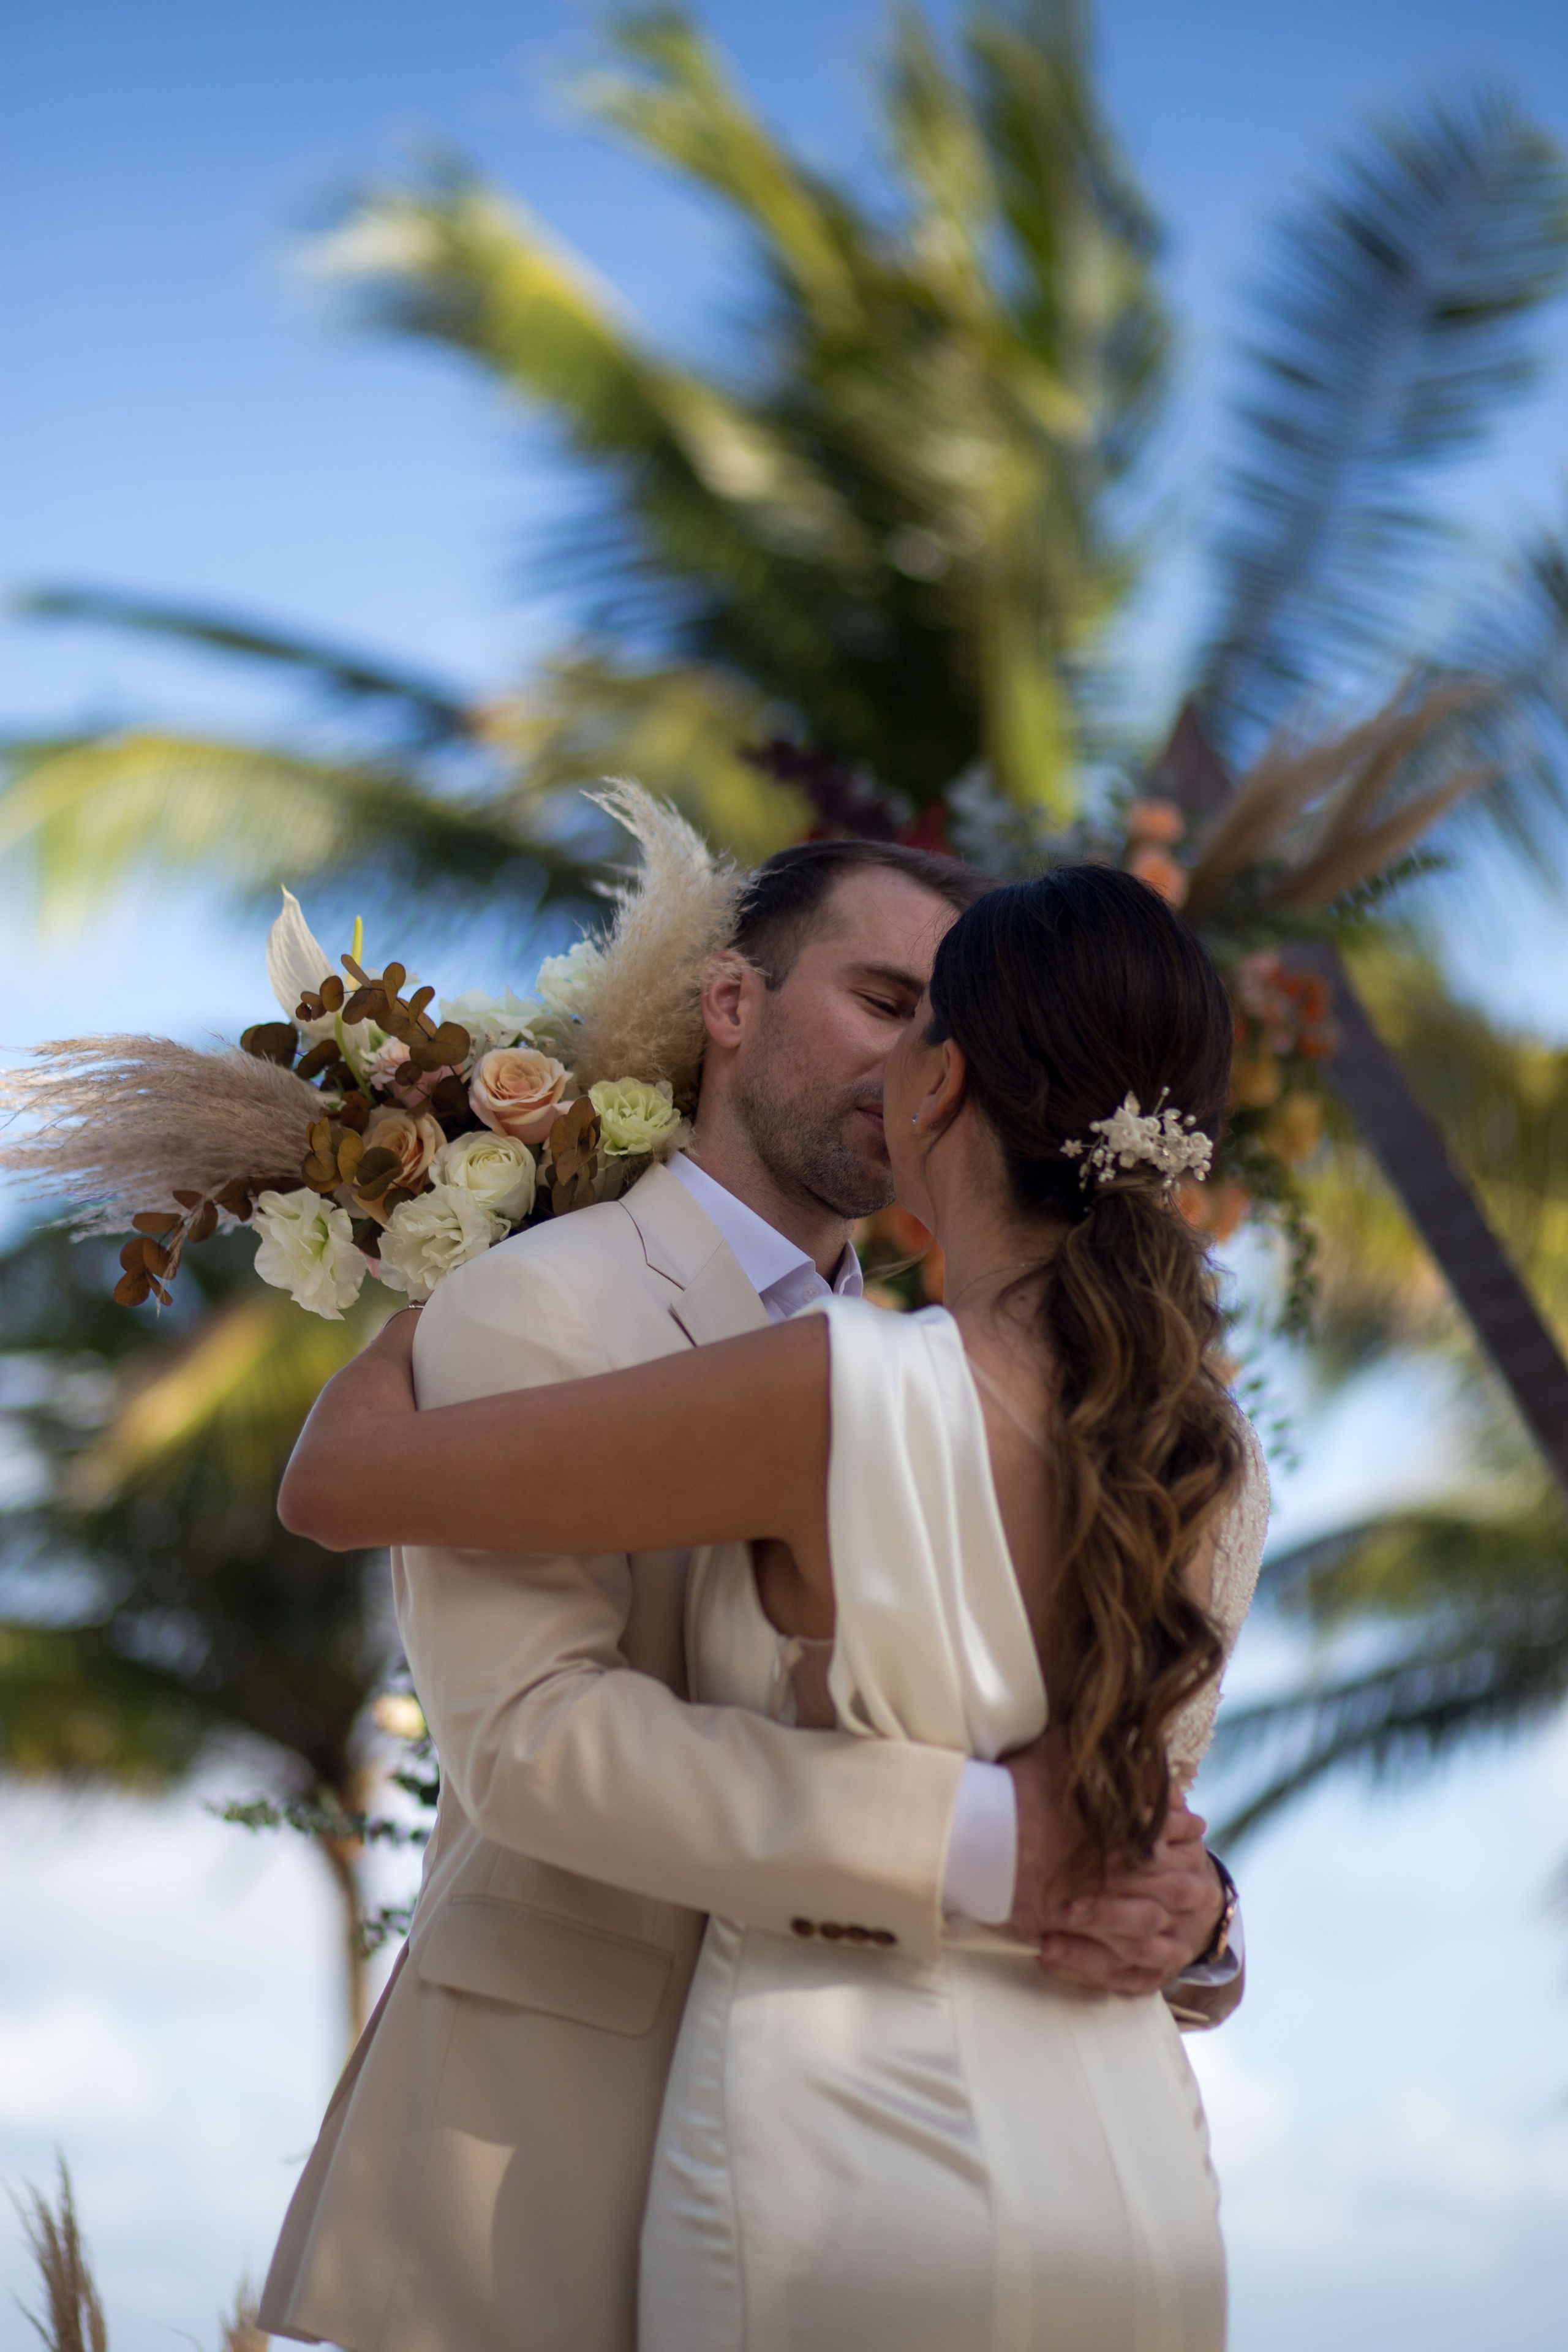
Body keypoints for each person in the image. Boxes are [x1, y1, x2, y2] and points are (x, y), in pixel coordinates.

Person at [260, 846, 1251, 2352]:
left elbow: (1095, 1757)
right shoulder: (539, 1300)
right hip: (558, 2154)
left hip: (855, 2137)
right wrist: (1028, 1854)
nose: (907, 1050)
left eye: (934, 1016)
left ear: (956, 1088)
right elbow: (522, 1738)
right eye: (878, 996)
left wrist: (1187, 1914)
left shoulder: (949, 1369)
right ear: (729, 1004)